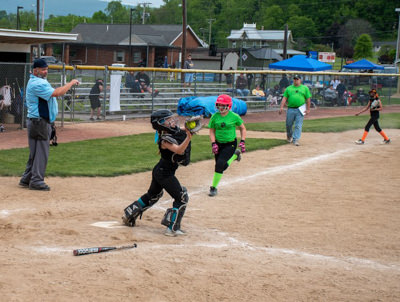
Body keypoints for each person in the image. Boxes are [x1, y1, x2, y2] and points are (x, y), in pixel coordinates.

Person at [122, 109, 193, 236]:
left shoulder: (170, 132)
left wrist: (189, 127)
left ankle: (128, 214)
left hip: (160, 170)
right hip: (164, 174)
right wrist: (188, 137)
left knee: (153, 195)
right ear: (160, 124)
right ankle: (172, 228)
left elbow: (182, 129)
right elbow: (179, 151)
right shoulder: (165, 140)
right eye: (168, 120)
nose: (172, 121)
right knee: (181, 197)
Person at [19, 58, 79, 191]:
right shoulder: (37, 83)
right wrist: (71, 83)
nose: (46, 71)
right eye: (43, 69)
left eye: (46, 69)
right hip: (39, 121)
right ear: (35, 70)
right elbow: (57, 93)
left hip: (36, 121)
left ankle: (27, 178)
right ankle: (36, 181)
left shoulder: (37, 81)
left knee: (35, 153)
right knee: (41, 152)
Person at [208, 94, 246, 197]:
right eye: (219, 105)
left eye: (223, 105)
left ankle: (213, 188)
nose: (220, 107)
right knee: (222, 166)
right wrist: (213, 143)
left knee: (219, 165)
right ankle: (235, 156)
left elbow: (242, 128)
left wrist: (242, 141)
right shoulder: (215, 116)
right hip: (218, 144)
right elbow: (211, 131)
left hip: (230, 144)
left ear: (228, 106)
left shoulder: (234, 116)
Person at [279, 74, 311, 146]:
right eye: (294, 79)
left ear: (300, 80)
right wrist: (281, 107)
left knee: (298, 125)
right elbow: (284, 98)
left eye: (297, 79)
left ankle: (295, 139)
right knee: (288, 124)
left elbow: (308, 99)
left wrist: (308, 109)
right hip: (290, 109)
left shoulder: (305, 88)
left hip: (300, 109)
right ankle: (289, 135)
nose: (295, 80)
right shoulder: (289, 88)